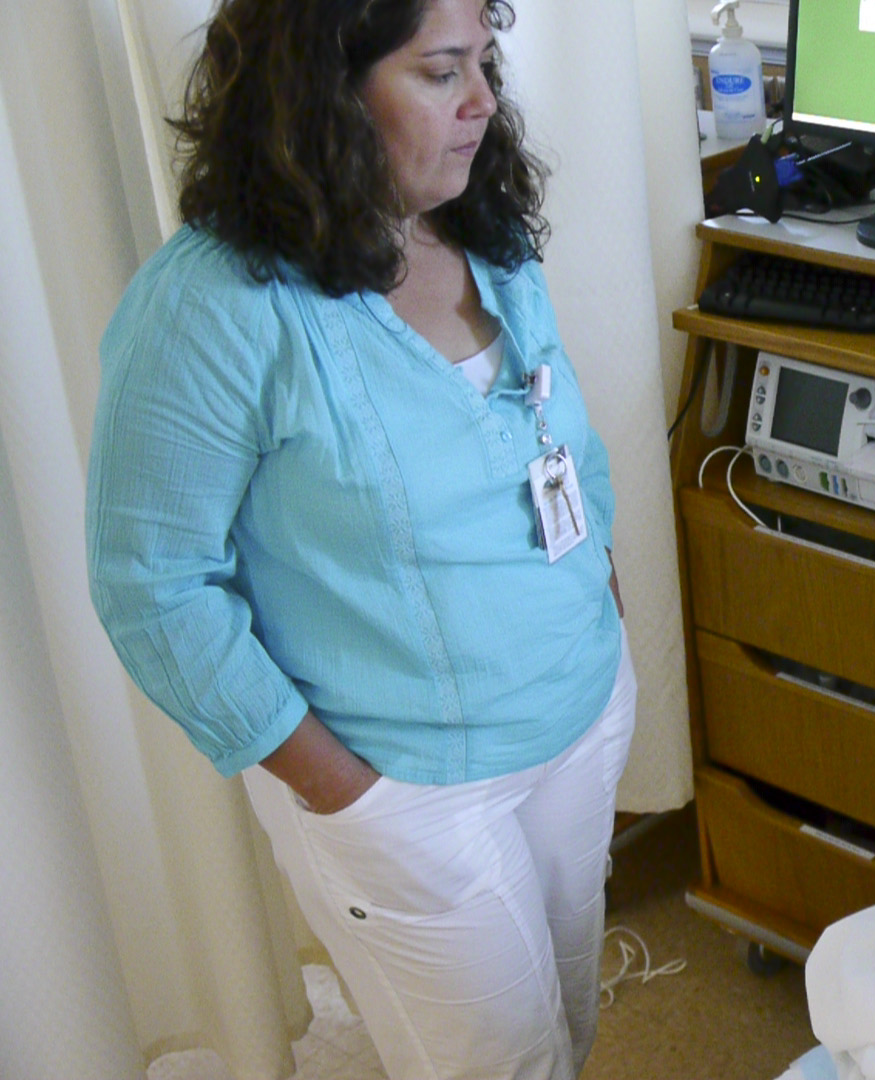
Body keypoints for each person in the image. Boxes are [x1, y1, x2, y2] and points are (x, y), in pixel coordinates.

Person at [85, 2, 634, 1077]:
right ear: (323, 91)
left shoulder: (480, 223)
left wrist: (603, 594)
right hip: (408, 785)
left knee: (567, 1028)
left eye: (484, 61)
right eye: (440, 72)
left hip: (574, 714)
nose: (482, 99)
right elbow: (151, 585)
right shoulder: (214, 306)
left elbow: (560, 429)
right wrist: (335, 784)